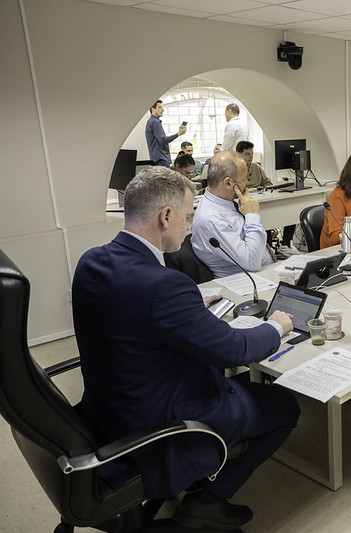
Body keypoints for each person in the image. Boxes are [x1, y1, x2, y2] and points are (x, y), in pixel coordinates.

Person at [72, 166, 299, 530]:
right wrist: (276, 326)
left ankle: (203, 473)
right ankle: (208, 500)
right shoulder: (163, 286)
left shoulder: (92, 261)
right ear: (165, 216)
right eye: (188, 216)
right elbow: (234, 350)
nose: (190, 226)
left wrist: (187, 306)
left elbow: (128, 309)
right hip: (160, 421)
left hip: (106, 410)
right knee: (285, 406)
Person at [191, 151, 277, 277]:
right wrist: (252, 216)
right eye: (244, 179)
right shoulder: (212, 219)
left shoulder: (224, 203)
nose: (247, 183)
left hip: (263, 273)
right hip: (246, 281)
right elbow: (251, 263)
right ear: (228, 183)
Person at [145, 99, 186, 167]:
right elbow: (163, 140)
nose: (162, 110)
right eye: (159, 107)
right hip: (161, 159)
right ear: (153, 109)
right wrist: (178, 134)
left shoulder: (152, 121)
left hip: (158, 159)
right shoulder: (155, 122)